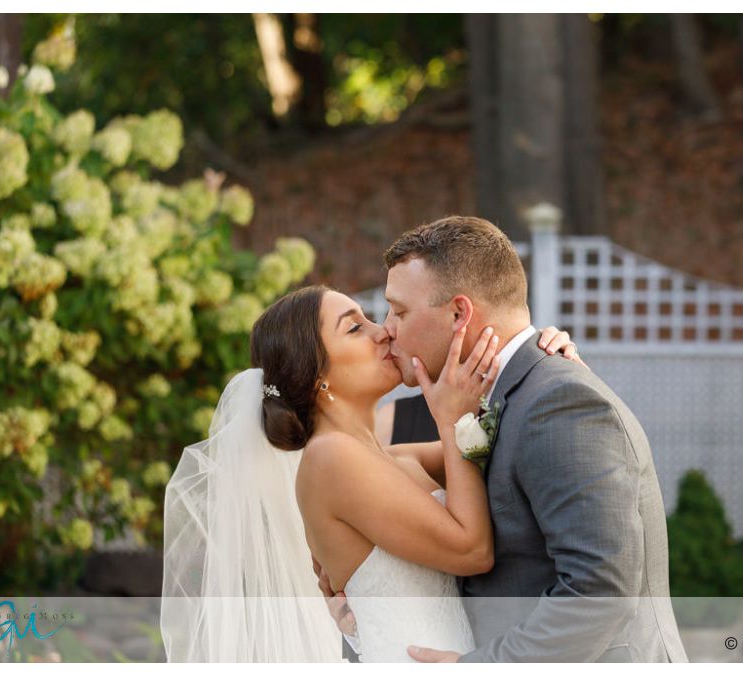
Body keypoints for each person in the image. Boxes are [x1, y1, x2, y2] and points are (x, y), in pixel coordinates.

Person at [322, 215, 687, 662]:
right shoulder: (498, 403)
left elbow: (600, 589)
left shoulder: (560, 402)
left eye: (399, 311)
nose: (388, 329)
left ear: (459, 314)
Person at [161, 280, 581, 662]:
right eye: (354, 328)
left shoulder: (398, 460)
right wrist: (453, 421)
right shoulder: (330, 459)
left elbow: (508, 441)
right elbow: (472, 550)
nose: (382, 330)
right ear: (317, 378)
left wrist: (541, 367)